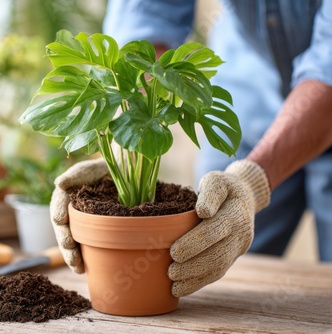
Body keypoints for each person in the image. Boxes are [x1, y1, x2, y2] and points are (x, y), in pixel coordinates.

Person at [50, 0, 332, 297]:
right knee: (222, 268)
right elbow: (146, 17)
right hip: (247, 92)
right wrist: (125, 150)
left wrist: (251, 182)